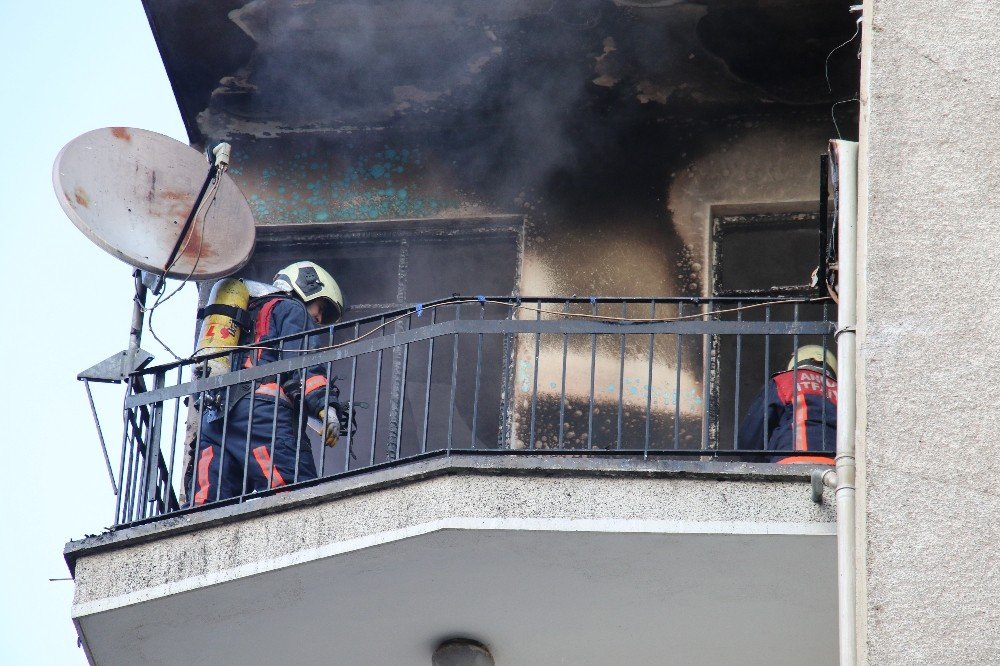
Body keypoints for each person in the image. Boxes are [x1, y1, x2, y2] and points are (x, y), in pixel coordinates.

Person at [191, 261, 350, 505]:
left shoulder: (242, 315)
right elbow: (301, 363)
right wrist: (325, 406)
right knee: (295, 493)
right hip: (262, 417)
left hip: (214, 417)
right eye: (320, 307)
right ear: (307, 286)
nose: (317, 318)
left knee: (206, 503)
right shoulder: (290, 308)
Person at [736, 345, 837, 464]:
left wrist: (755, 463)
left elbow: (753, 431)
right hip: (835, 465)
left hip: (789, 460)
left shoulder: (783, 380)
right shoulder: (843, 392)